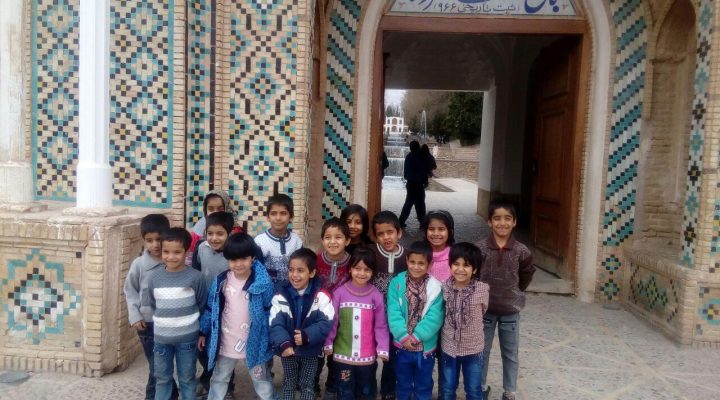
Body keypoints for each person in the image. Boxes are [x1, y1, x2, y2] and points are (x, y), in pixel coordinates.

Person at [198, 233, 276, 400]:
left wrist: (270, 335)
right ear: (227, 259)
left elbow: (270, 311)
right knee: (219, 378)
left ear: (252, 258)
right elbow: (211, 309)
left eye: (243, 259)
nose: (239, 264)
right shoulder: (221, 282)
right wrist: (203, 331)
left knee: (262, 380)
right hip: (226, 341)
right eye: (233, 259)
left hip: (255, 342)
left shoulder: (263, 283)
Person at [476, 200, 535, 400]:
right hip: (484, 310)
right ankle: (480, 388)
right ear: (489, 221)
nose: (502, 223)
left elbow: (526, 274)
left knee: (510, 353)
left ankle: (509, 391)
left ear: (515, 222)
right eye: (497, 218)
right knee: (482, 351)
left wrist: (515, 291)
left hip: (511, 311)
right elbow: (473, 275)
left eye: (507, 218)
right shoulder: (480, 248)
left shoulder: (521, 251)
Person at [147, 228, 208, 400]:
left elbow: (201, 304)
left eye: (177, 252)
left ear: (186, 251)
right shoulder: (154, 278)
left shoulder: (195, 277)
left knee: (187, 378)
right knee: (162, 379)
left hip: (187, 340)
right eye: (166, 252)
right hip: (161, 339)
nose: (171, 257)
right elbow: (153, 304)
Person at [123, 214, 178, 400]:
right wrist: (135, 315)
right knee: (158, 367)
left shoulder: (173, 261)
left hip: (170, 324)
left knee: (162, 366)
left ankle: (172, 394)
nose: (155, 245)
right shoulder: (139, 265)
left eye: (159, 239)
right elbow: (130, 290)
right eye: (149, 240)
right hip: (148, 325)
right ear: (143, 240)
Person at [323, 246, 390, 400]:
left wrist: (383, 347)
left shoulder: (376, 295)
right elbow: (333, 321)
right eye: (357, 268)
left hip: (367, 358)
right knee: (344, 390)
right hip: (342, 356)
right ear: (350, 269)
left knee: (366, 391)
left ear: (372, 272)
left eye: (367, 269)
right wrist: (328, 342)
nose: (362, 273)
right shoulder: (339, 293)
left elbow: (380, 325)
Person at [270, 248, 335, 400]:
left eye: (300, 270)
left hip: (311, 351)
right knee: (289, 383)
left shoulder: (321, 296)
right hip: (288, 350)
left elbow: (326, 321)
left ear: (311, 273)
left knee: (307, 384)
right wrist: (284, 343)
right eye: (291, 270)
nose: (294, 275)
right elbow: (275, 323)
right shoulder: (280, 295)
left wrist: (307, 335)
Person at [387, 241, 444, 400]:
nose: (416, 267)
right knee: (402, 382)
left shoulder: (436, 288)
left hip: (424, 348)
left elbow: (435, 317)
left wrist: (417, 336)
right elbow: (393, 312)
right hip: (401, 346)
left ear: (430, 264)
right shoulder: (397, 284)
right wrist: (403, 336)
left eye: (421, 263)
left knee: (423, 383)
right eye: (412, 262)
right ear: (407, 261)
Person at [191, 211, 236, 395]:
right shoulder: (201, 248)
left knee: (224, 349)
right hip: (204, 306)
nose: (214, 238)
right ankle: (207, 377)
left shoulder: (233, 254)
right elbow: (195, 271)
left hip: (226, 308)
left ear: (229, 234)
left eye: (220, 234)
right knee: (203, 347)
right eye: (210, 233)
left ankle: (227, 387)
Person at [440, 242, 489, 400]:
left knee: (473, 389)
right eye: (456, 264)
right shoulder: (444, 287)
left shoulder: (482, 289)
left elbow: (483, 310)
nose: (460, 269)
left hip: (473, 348)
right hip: (449, 347)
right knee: (447, 389)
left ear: (474, 269)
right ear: (450, 265)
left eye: (466, 265)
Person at [369, 211, 408, 400]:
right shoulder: (371, 253)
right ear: (375, 236)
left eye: (390, 232)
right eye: (381, 234)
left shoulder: (407, 256)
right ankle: (367, 387)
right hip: (372, 315)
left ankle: (388, 390)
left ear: (399, 233)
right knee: (369, 352)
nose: (386, 237)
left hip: (396, 317)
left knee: (391, 355)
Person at [314, 218, 352, 397]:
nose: (333, 242)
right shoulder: (315, 261)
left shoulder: (353, 263)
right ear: (322, 240)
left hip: (342, 320)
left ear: (347, 240)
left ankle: (332, 387)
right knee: (316, 355)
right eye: (328, 237)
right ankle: (311, 384)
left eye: (338, 237)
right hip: (318, 318)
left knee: (336, 358)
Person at [254, 193, 303, 288]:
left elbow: (301, 267)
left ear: (291, 217)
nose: (278, 218)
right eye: (273, 213)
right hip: (267, 290)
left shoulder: (296, 241)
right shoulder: (260, 241)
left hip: (291, 290)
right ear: (268, 217)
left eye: (283, 213)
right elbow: (257, 272)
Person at [398, 141, 428, 228]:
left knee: (409, 203)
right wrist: (425, 181)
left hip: (411, 184)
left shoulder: (409, 156)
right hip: (417, 184)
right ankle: (422, 223)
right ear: (417, 147)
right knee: (420, 204)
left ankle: (401, 221)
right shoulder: (418, 157)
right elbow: (423, 170)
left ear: (410, 148)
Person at [422, 210, 456, 282]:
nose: (436, 233)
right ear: (425, 231)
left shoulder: (455, 256)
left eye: (441, 229)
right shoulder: (419, 254)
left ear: (450, 232)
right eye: (431, 229)